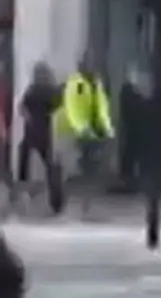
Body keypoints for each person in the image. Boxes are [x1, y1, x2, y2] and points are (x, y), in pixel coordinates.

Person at [56, 56, 114, 219]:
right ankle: (77, 205)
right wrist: (82, 129)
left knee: (92, 170)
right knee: (81, 170)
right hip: (81, 133)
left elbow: (101, 108)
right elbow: (74, 108)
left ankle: (87, 205)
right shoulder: (77, 85)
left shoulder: (95, 84)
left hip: (93, 133)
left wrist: (106, 130)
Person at [15, 61, 63, 214]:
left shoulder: (34, 89)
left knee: (25, 157)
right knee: (49, 165)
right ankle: (56, 201)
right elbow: (57, 106)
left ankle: (22, 188)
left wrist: (28, 117)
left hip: (33, 131)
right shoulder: (49, 89)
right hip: (42, 132)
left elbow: (22, 107)